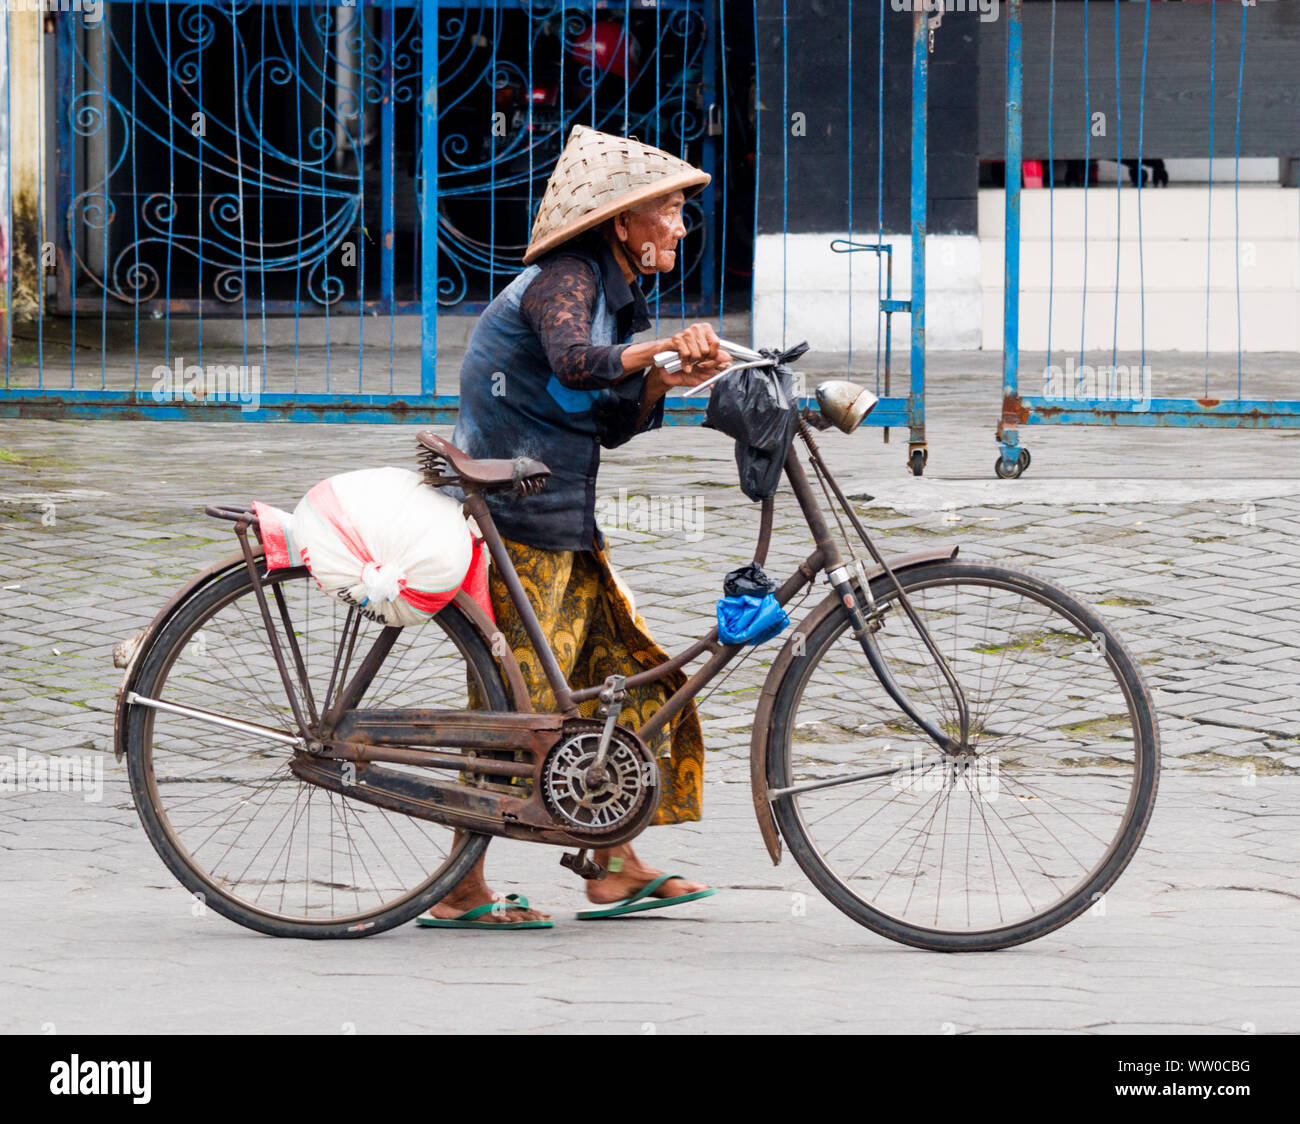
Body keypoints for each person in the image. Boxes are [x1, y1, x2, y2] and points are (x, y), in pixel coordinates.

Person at [418, 126, 731, 930]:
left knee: (622, 680)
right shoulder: (564, 276)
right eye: (669, 211)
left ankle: (615, 866)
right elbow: (572, 365)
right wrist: (658, 353)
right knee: (519, 712)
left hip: (562, 517)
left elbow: (614, 421)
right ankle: (459, 889)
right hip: (519, 523)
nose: (682, 226)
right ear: (623, 224)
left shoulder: (614, 288)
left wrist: (667, 375)